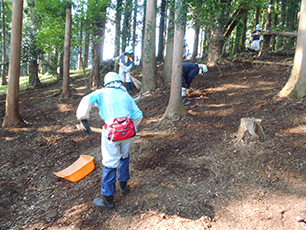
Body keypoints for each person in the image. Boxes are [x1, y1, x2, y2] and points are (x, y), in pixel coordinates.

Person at [76, 72, 143, 210]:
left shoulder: (101, 93)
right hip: (129, 133)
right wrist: (130, 129)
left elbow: (86, 100)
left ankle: (108, 200)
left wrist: (83, 119)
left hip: (111, 133)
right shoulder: (126, 95)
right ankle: (124, 187)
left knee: (110, 163)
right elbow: (138, 115)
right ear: (119, 82)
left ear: (106, 83)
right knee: (124, 157)